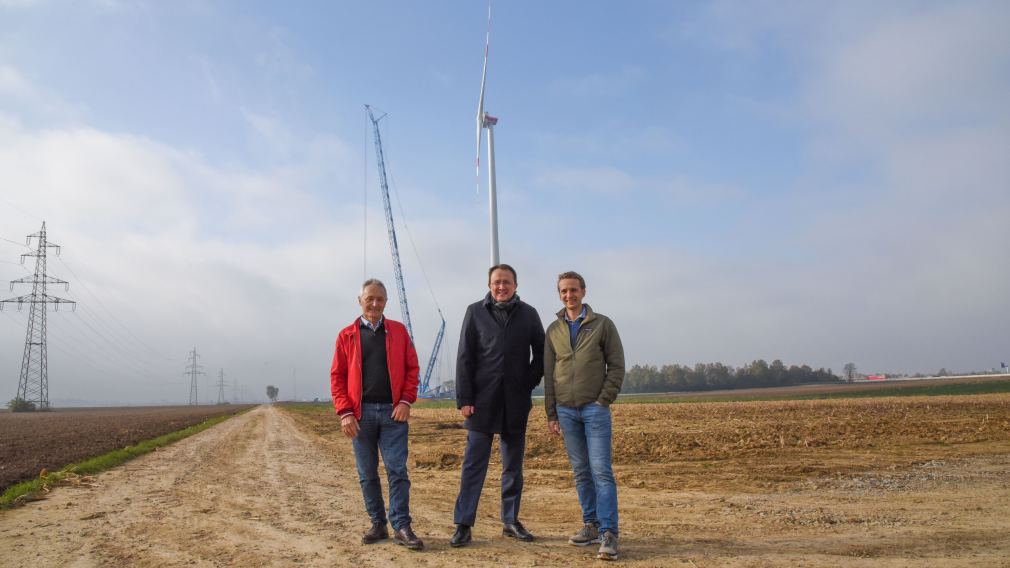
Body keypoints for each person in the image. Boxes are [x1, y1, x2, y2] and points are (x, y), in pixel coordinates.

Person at [450, 264, 546, 547]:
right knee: (473, 465)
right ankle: (463, 524)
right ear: (489, 285)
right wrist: (465, 399)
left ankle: (510, 521)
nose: (501, 287)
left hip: (515, 403)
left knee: (512, 466)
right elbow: (464, 357)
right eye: (496, 282)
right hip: (481, 402)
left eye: (506, 282)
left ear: (516, 285)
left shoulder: (529, 314)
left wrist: (525, 383)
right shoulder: (475, 312)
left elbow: (541, 355)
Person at [330, 278, 424, 551]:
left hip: (394, 414)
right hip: (360, 416)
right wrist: (345, 412)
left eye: (380, 299)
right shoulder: (346, 335)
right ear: (359, 301)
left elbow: (412, 369)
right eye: (369, 298)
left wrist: (406, 400)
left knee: (397, 471)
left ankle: (402, 526)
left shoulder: (398, 331)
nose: (374, 304)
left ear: (386, 302)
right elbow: (337, 377)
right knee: (367, 473)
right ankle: (378, 523)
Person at [543, 271, 625, 561]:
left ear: (584, 291)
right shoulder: (553, 330)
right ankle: (590, 525)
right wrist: (552, 413)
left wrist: (604, 400)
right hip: (566, 410)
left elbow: (616, 366)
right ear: (559, 294)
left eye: (574, 290)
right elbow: (549, 375)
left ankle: (609, 533)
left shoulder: (602, 325)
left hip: (594, 409)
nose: (569, 295)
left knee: (601, 470)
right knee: (581, 472)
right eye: (564, 291)